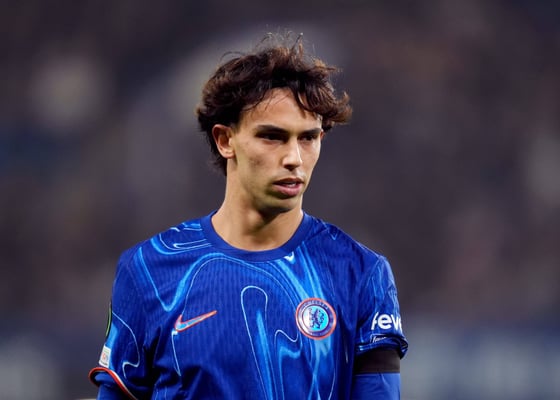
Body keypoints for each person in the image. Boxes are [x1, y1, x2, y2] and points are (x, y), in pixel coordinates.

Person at [89, 32, 408, 399]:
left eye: (308, 138)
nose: (294, 158)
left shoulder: (361, 273)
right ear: (225, 140)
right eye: (272, 137)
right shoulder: (148, 269)